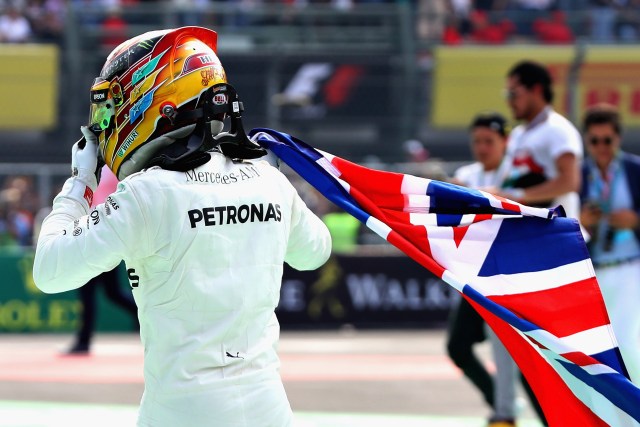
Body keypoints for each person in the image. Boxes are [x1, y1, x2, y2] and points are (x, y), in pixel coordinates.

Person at [33, 26, 332, 427]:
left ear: (159, 100)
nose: (104, 123)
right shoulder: (270, 181)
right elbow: (316, 252)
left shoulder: (146, 193)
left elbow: (51, 272)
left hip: (181, 410)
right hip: (269, 407)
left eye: (114, 105)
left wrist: (80, 181)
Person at [448, 112, 519, 427]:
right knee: (457, 346)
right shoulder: (466, 173)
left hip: (508, 280)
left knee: (510, 354)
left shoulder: (517, 175)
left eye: (489, 141)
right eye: (476, 141)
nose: (482, 147)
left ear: (505, 141)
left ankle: (506, 414)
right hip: (474, 279)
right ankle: (501, 406)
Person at [579, 103, 640, 385]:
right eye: (594, 141)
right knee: (596, 352)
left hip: (631, 269)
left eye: (608, 140)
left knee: (629, 346)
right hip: (593, 272)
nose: (601, 147)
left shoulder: (634, 170)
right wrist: (581, 220)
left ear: (618, 138)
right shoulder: (577, 176)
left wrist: (635, 220)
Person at [495, 59, 583, 220]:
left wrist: (517, 194)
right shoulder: (517, 134)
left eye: (513, 94)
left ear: (536, 90)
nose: (509, 101)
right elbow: (510, 182)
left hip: (558, 234)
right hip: (531, 233)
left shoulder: (558, 128)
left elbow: (570, 181)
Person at [66, 166, 138, 355]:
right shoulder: (93, 164)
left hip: (104, 234)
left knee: (90, 291)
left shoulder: (115, 166)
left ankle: (83, 342)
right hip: (92, 232)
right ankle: (142, 316)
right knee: (111, 292)